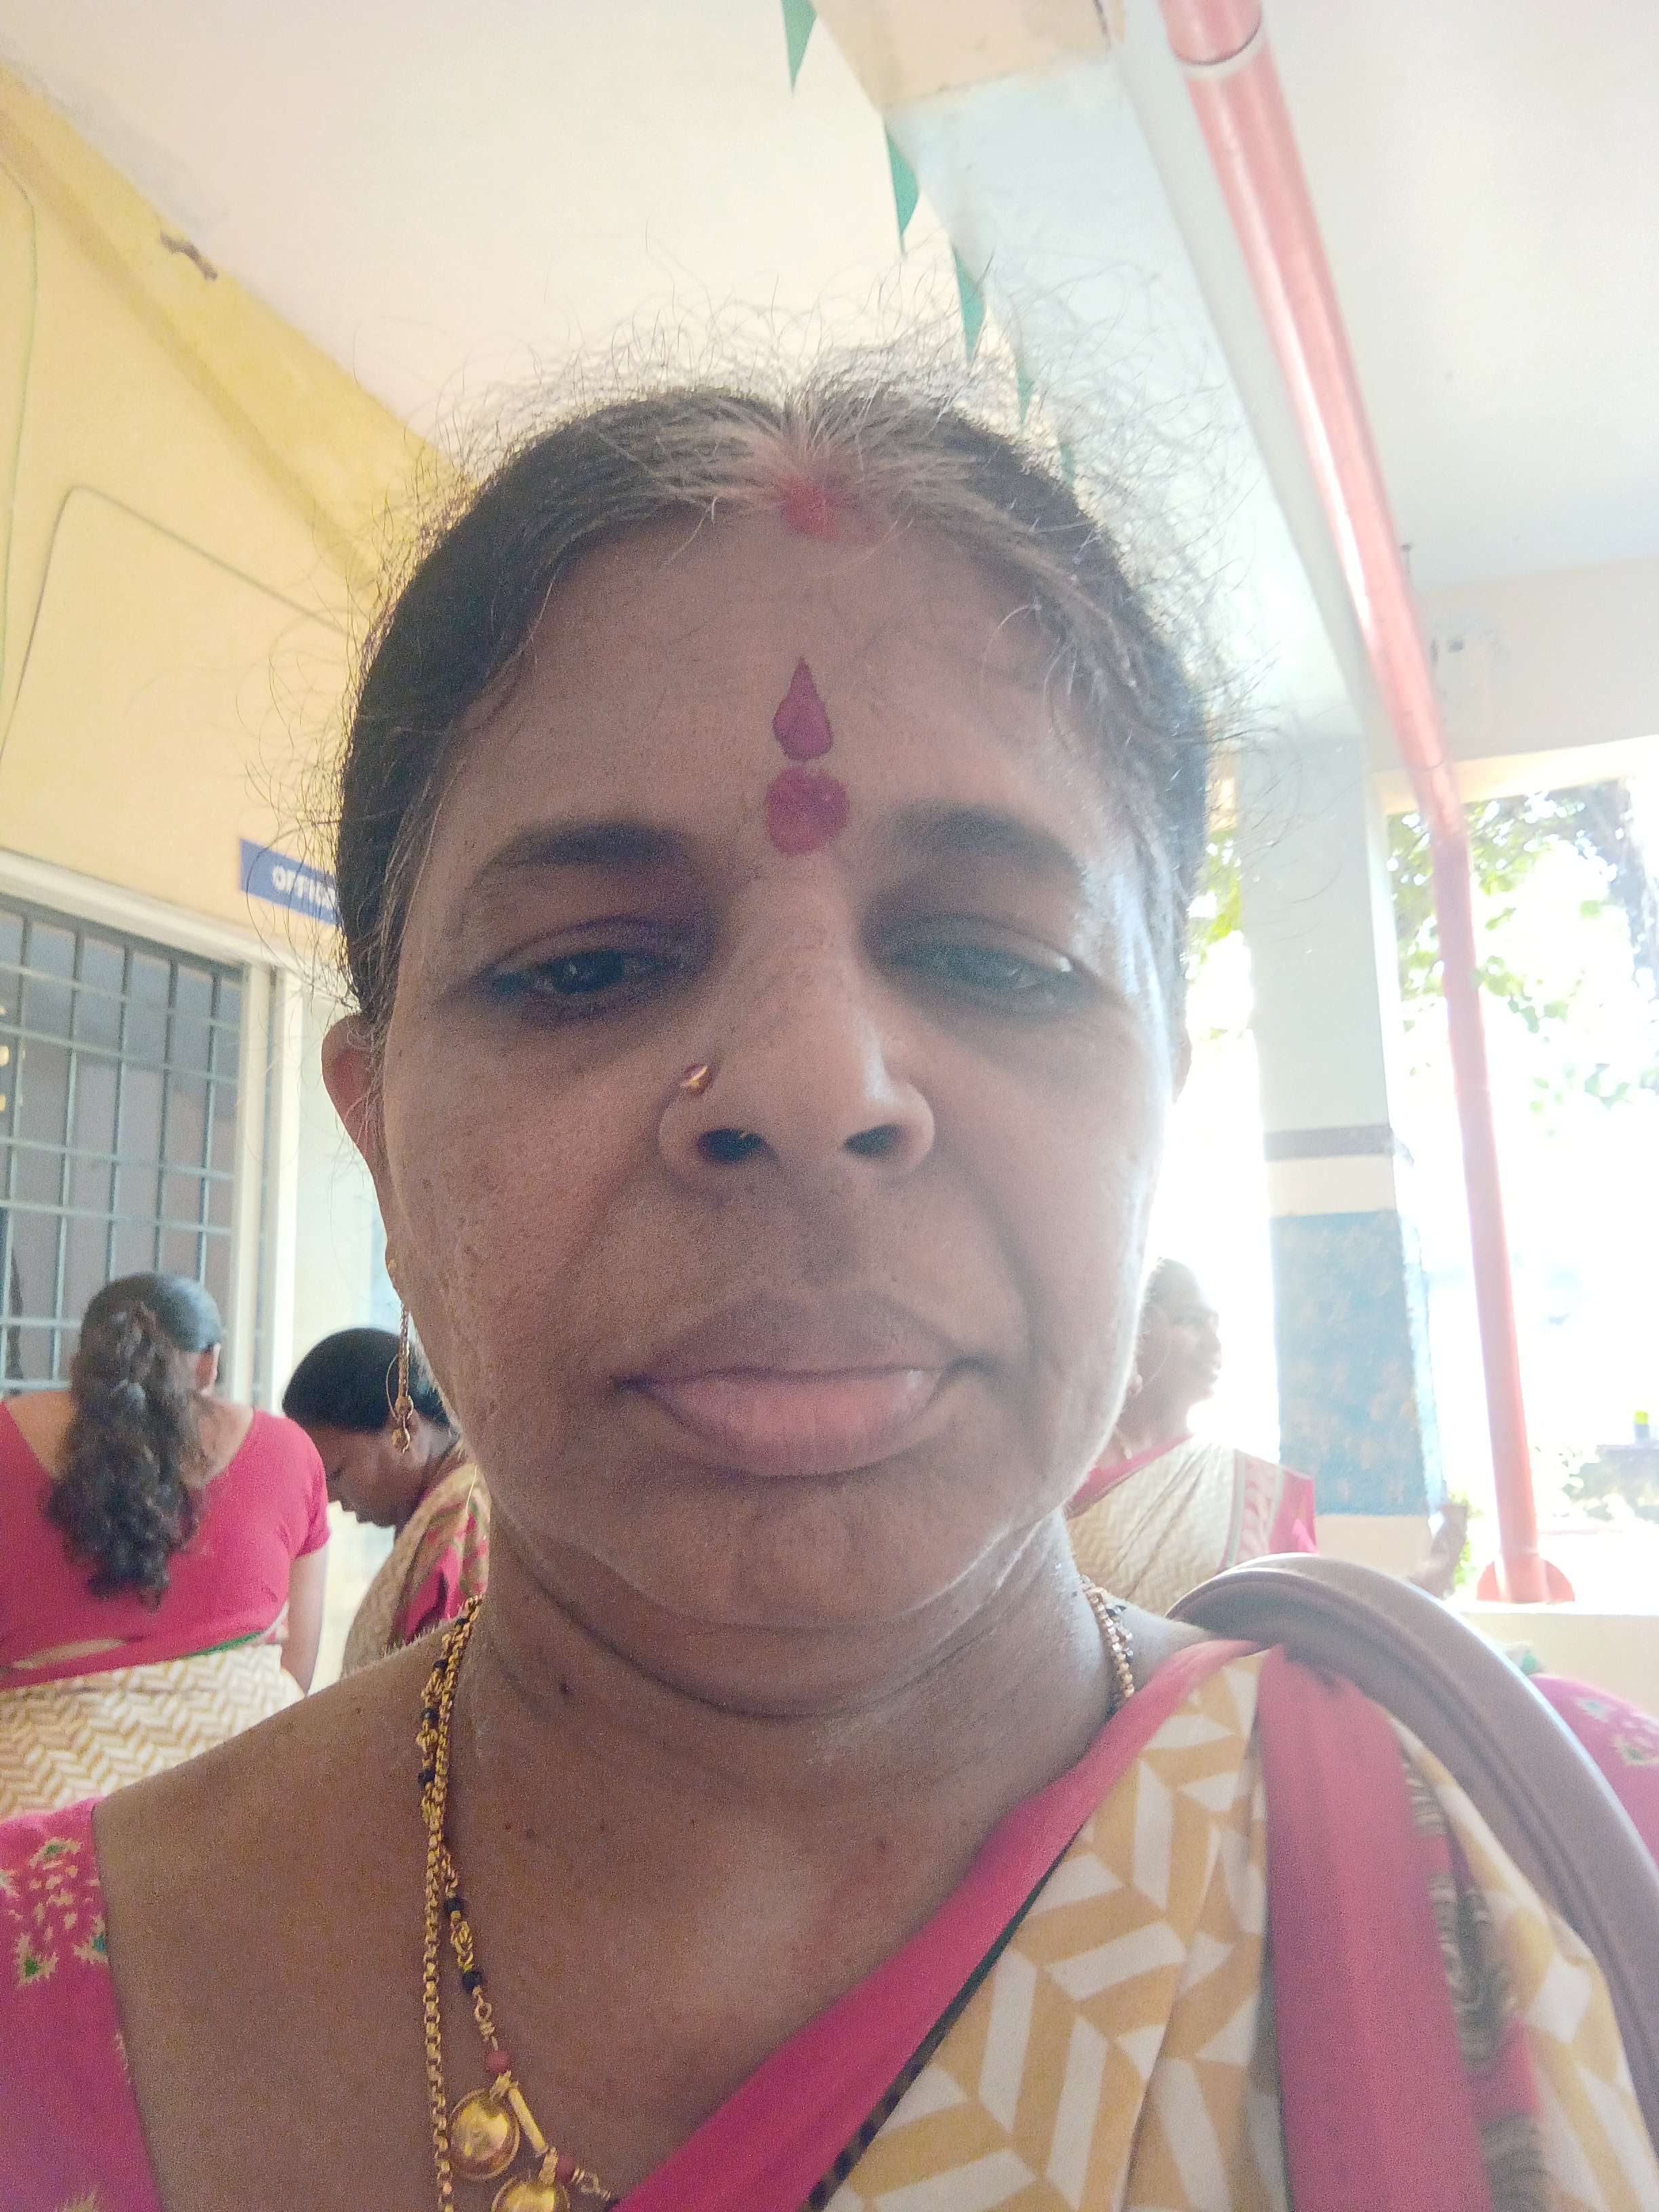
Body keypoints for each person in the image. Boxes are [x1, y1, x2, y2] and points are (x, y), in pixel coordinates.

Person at [3, 375, 1653, 2209]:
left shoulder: (1567, 1880)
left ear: (1161, 1105)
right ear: (377, 1135)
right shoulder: (39, 2016)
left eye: (990, 956)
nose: (809, 1084)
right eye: (587, 965)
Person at [0, 1273, 327, 1815]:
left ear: (85, 1357)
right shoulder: (288, 1450)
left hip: (44, 1788)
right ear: (209, 1364)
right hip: (257, 1785)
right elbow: (298, 1664)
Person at [1067, 1258, 1315, 1612]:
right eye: (1190, 1320)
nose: (1215, 1346)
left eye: (1216, 1326)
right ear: (1132, 1327)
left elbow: (1302, 1624)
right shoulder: (1060, 1469)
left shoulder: (1255, 1490)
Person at [283, 1326, 489, 1671]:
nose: (329, 1498)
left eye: (335, 1474)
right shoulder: (440, 1508)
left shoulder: (463, 1516)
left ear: (404, 1426)